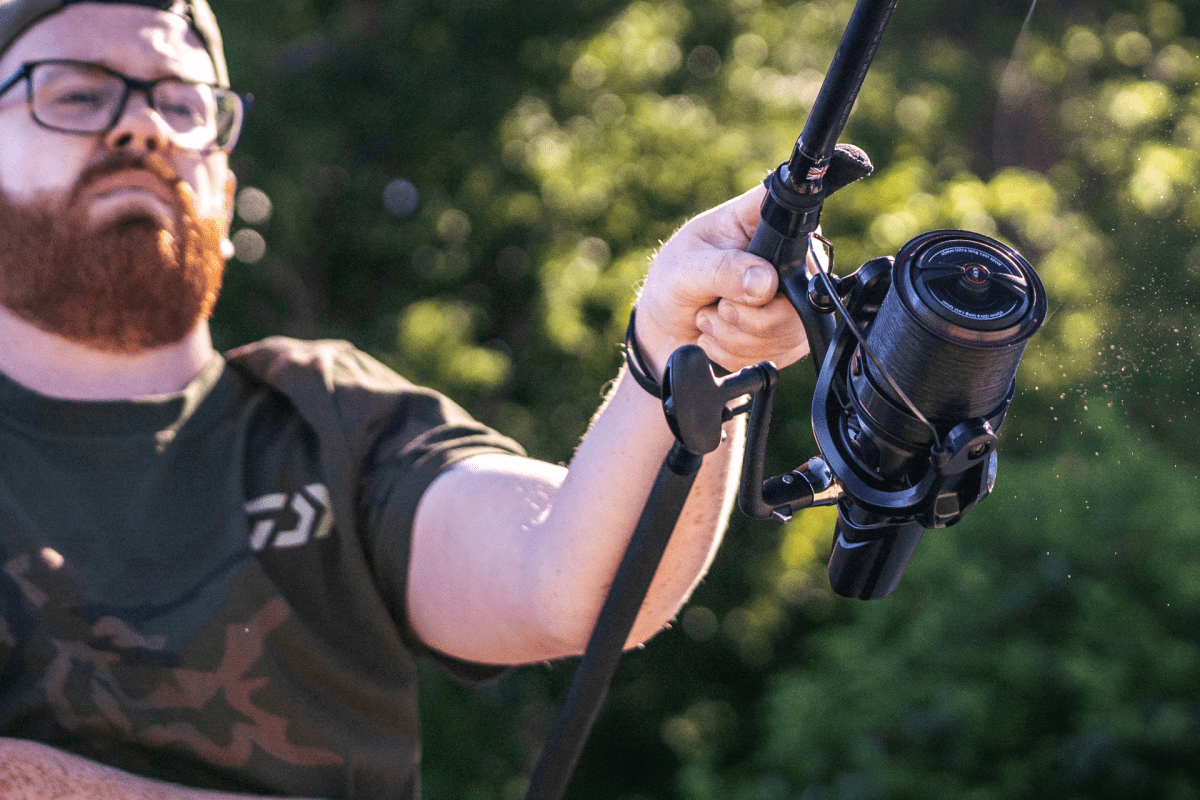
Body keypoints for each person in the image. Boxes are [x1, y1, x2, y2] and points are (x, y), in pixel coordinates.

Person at [0, 0, 821, 796]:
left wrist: (692, 349)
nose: (144, 126)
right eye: (77, 92)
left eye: (182, 103)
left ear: (225, 180)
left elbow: (579, 582)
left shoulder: (328, 421)